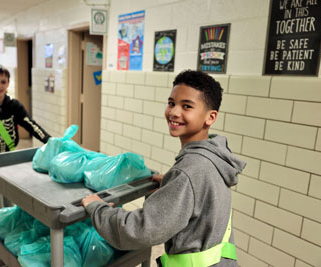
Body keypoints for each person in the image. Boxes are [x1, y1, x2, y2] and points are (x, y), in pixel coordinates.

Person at [81, 70, 246, 267]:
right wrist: (171, 185)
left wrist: (97, 208)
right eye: (171, 103)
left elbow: (141, 230)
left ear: (210, 117)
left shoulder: (188, 172)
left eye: (187, 106)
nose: (174, 112)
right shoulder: (215, 158)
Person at [0, 63, 51, 215]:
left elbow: (30, 124)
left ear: (8, 83)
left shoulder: (13, 105)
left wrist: (49, 140)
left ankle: (11, 223)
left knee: (11, 196)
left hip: (9, 158)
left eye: (3, 82)